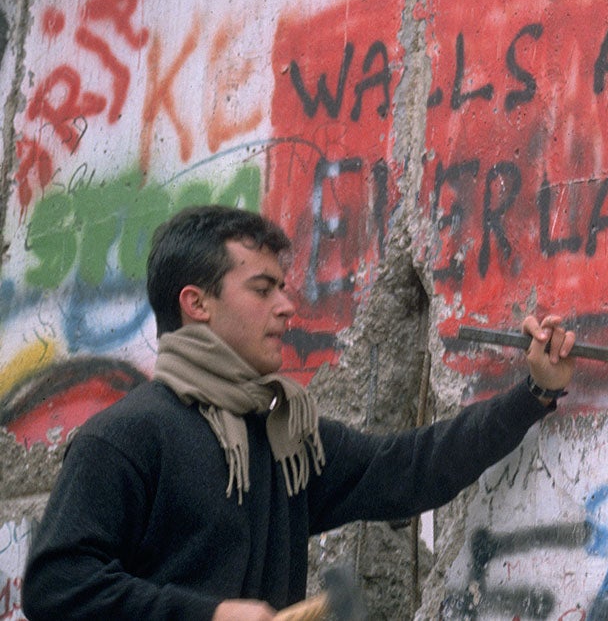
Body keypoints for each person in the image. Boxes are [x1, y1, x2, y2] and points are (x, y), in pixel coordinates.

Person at [23, 204, 576, 620]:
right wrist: (207, 615)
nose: (287, 306)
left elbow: (408, 469)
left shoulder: (285, 438)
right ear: (196, 304)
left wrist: (534, 393)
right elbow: (58, 585)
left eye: (282, 288)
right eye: (262, 290)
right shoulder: (126, 437)